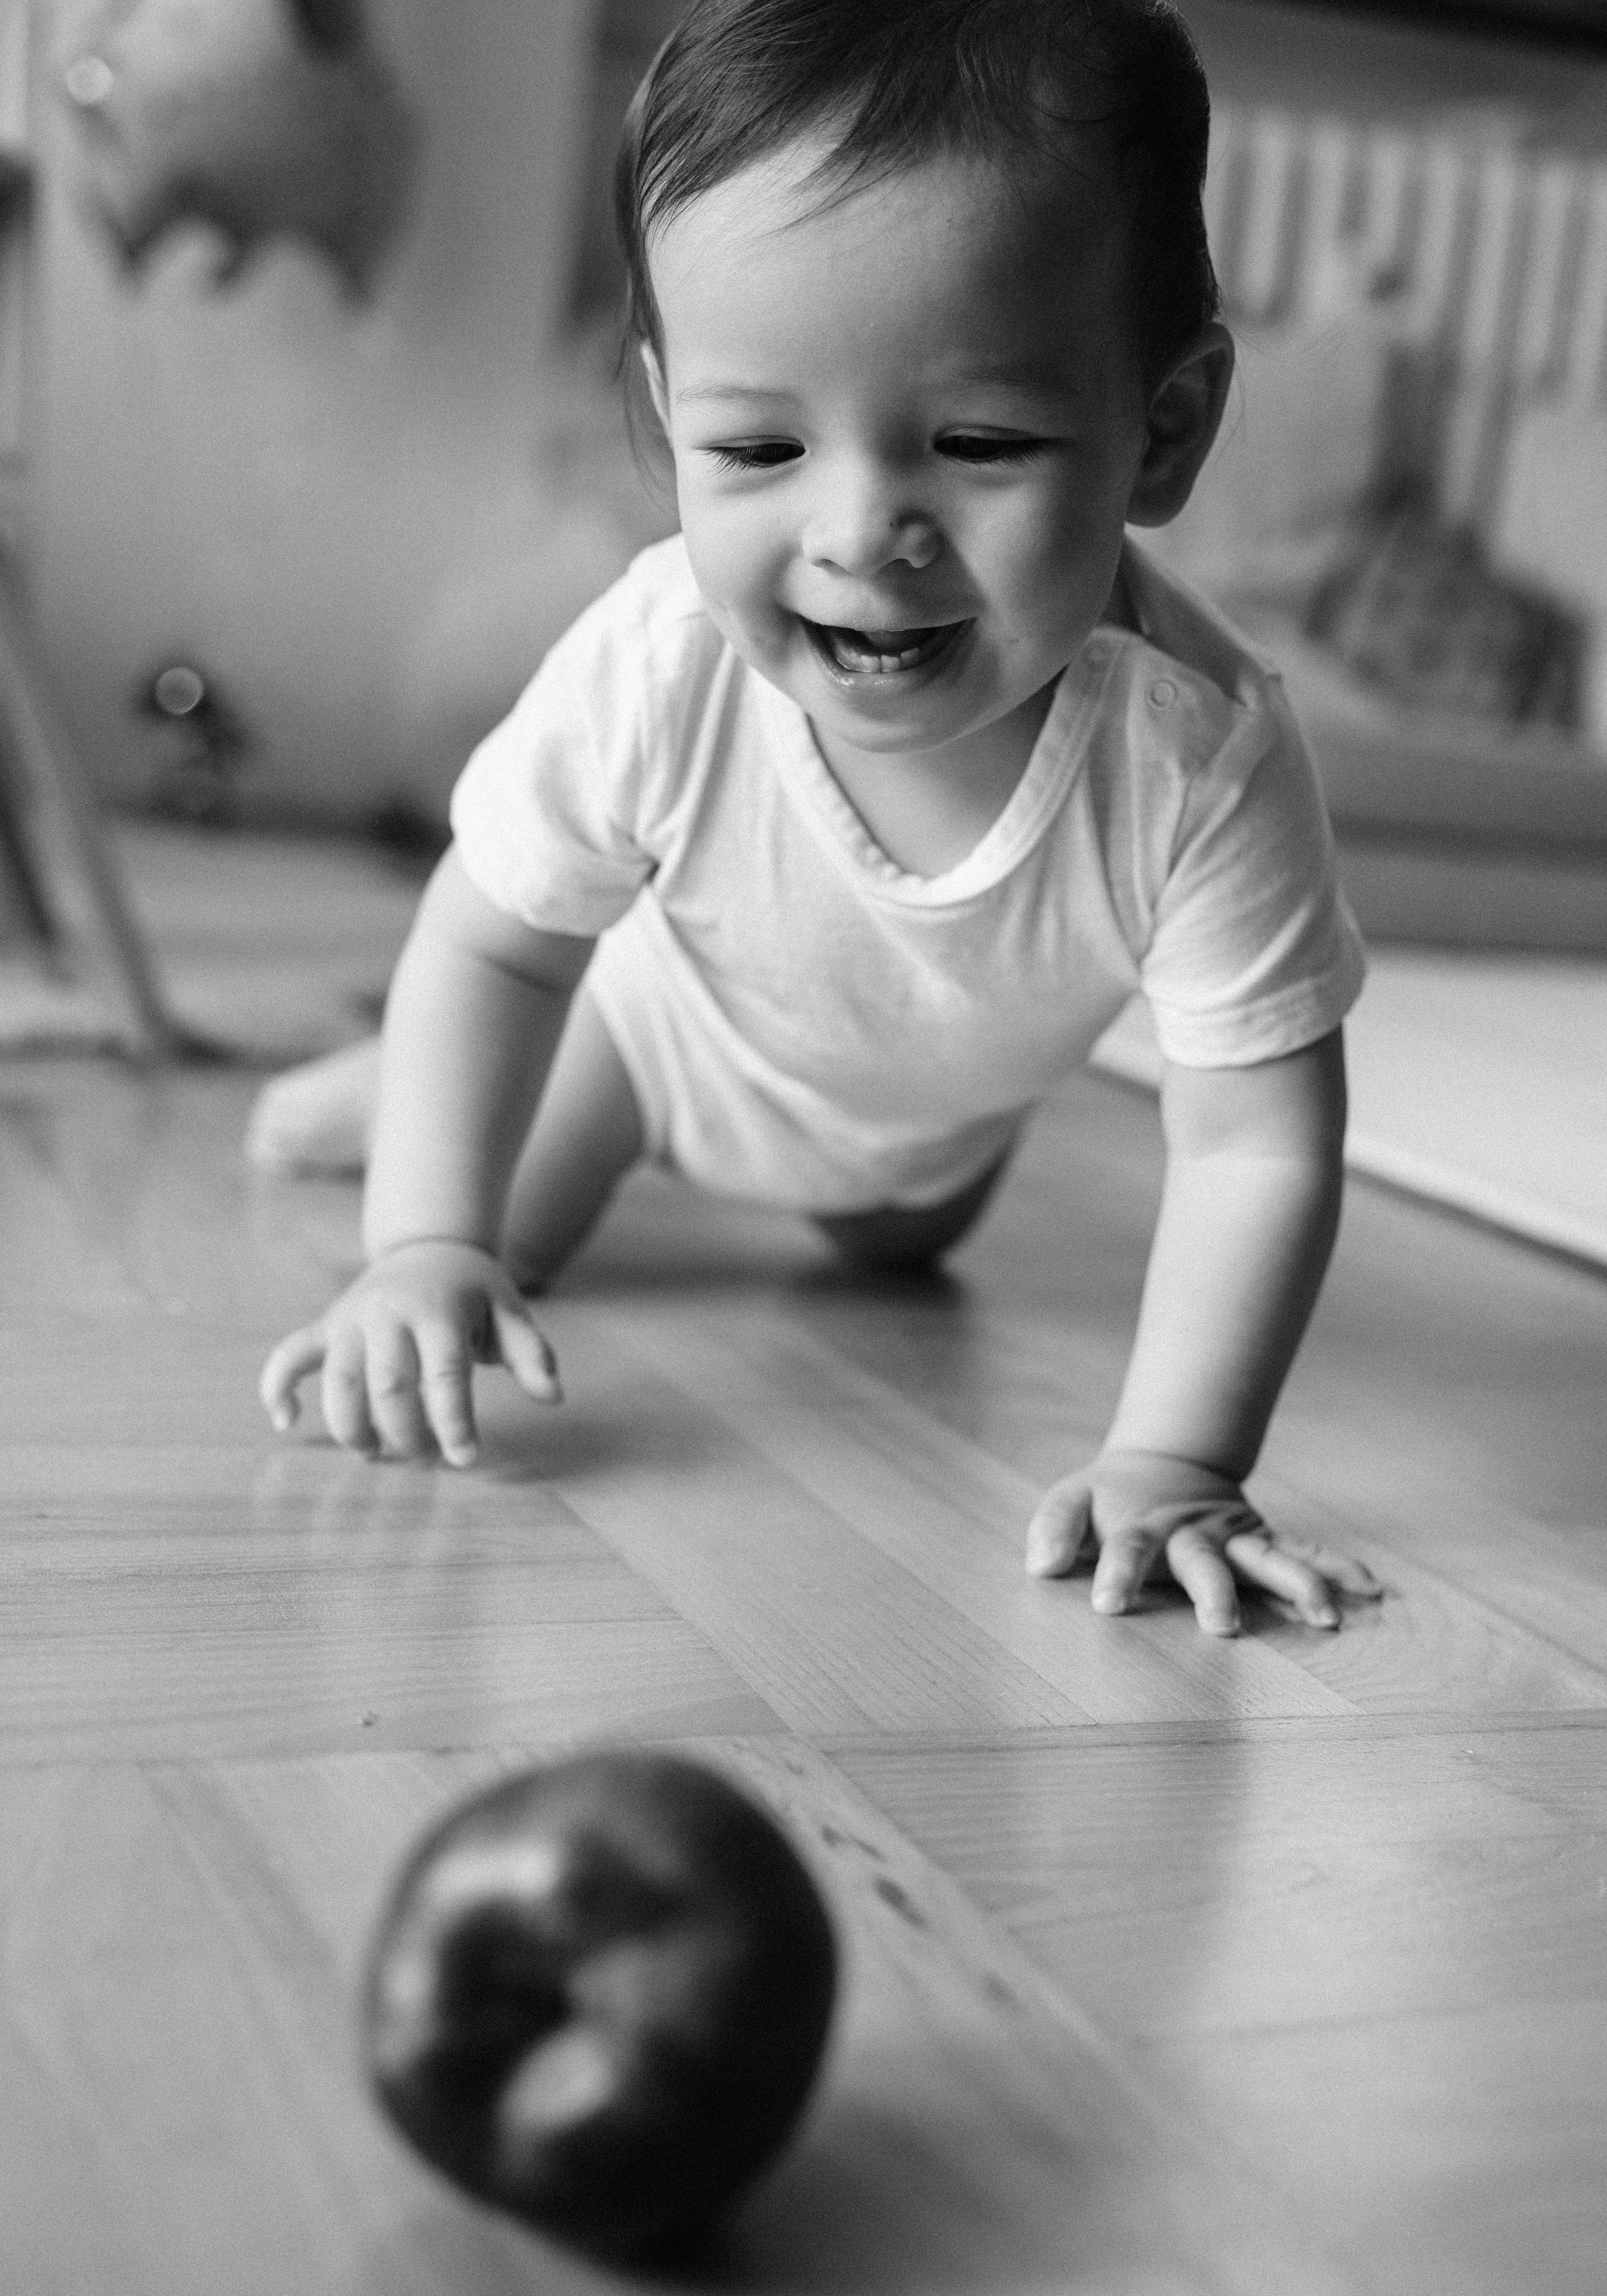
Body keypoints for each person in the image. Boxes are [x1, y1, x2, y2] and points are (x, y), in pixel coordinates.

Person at [257, 0, 1382, 1638]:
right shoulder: (662, 660)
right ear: (669, 421)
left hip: (931, 1137)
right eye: (760, 445)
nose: (861, 531)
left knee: (894, 1256)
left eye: (979, 443)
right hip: (656, 1035)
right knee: (501, 1230)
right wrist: (421, 1245)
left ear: (1165, 430)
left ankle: (448, 1109)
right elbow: (496, 944)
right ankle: (396, 1104)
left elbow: (1255, 1141)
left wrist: (1177, 1461)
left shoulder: (1199, 759)